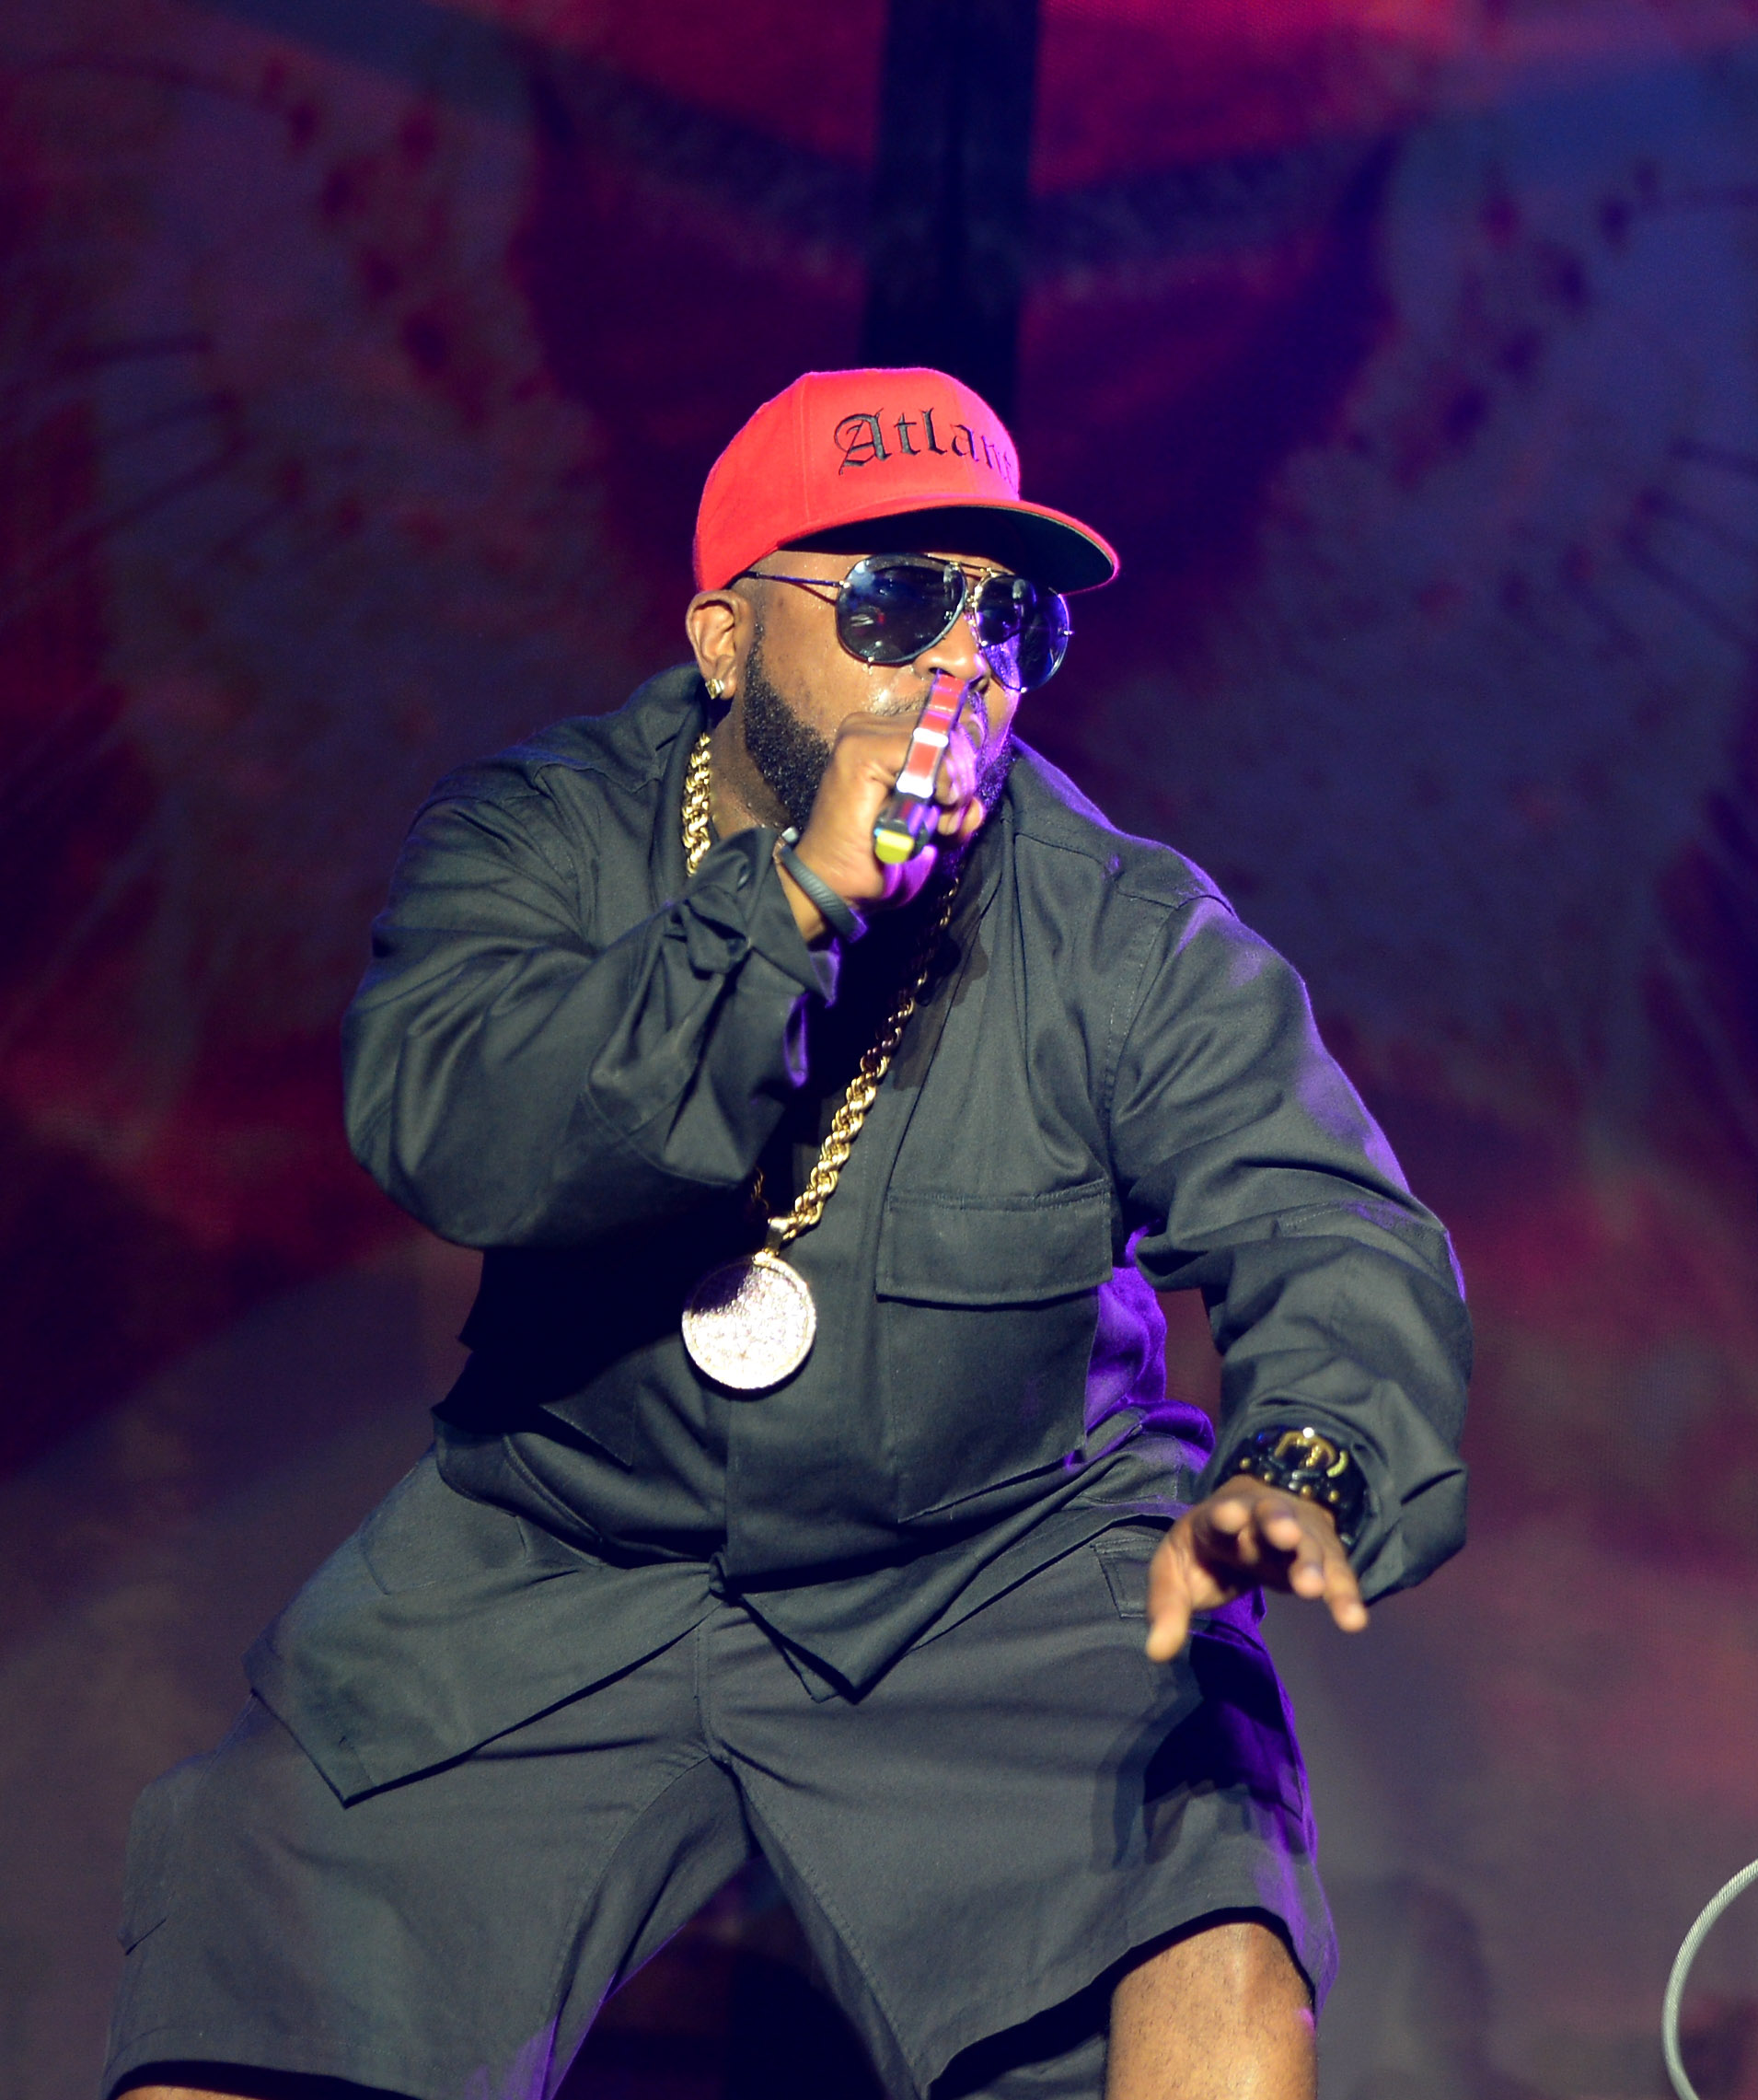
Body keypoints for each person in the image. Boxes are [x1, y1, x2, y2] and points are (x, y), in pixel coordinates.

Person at [105, 366, 1473, 2100]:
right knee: (247, 1972)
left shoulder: (1121, 923)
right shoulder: (538, 835)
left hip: (997, 1561)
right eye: (899, 601)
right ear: (727, 636)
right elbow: (445, 1116)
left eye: (1010, 617)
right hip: (562, 1544)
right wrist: (796, 901)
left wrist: (1307, 1453)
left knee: (1219, 1955)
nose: (963, 658)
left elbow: (1323, 1214)